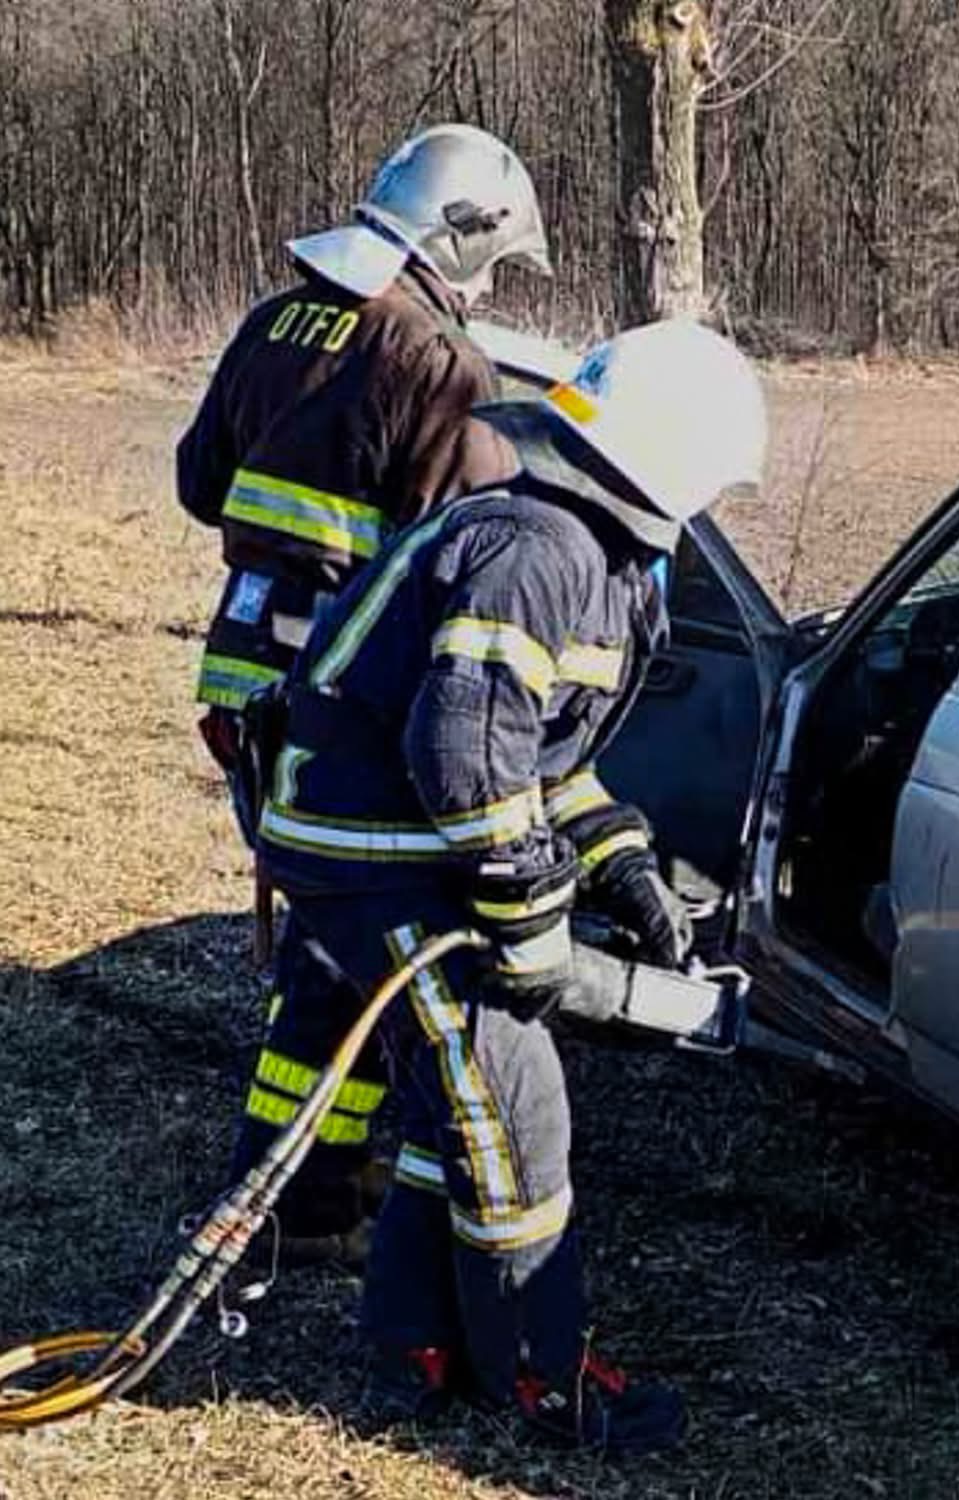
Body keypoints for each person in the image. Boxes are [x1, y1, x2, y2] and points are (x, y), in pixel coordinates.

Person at [253, 318, 766, 1450]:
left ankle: (413, 1345)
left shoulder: (583, 552)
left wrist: (623, 867)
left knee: (458, 1102)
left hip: (391, 838)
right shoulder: (542, 550)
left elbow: (548, 765)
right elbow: (468, 759)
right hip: (374, 851)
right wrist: (530, 928)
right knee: (512, 1098)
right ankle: (539, 1375)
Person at [177, 124, 549, 1256]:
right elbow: (475, 554)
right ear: (464, 230)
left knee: (328, 942)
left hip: (244, 682)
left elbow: (203, 487)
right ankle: (323, 1197)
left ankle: (313, 1185)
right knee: (367, 948)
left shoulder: (273, 322)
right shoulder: (436, 362)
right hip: (345, 703)